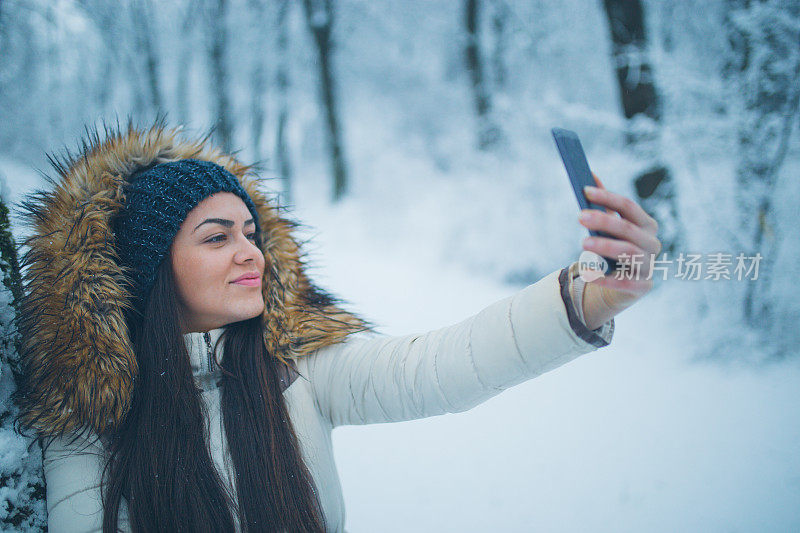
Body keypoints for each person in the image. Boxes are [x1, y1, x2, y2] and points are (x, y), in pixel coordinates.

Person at [12, 120, 660, 532]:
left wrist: (585, 299)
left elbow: (444, 365)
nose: (250, 253)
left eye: (251, 233)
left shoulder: (298, 366)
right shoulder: (91, 421)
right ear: (150, 272)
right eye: (217, 237)